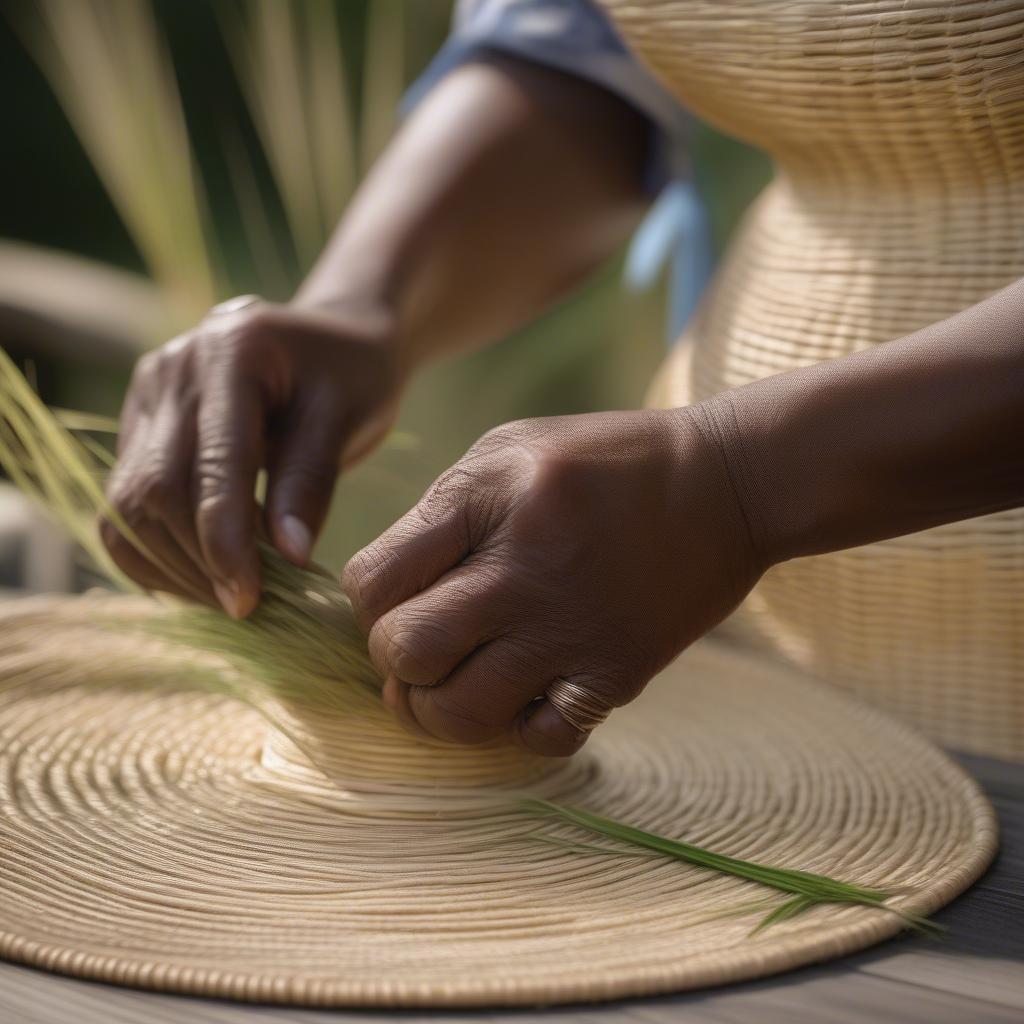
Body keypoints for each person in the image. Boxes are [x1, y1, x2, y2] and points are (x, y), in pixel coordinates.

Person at [101, 0, 1024, 760]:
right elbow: (582, 50)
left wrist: (740, 482)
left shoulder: (733, 493)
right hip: (758, 665)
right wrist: (359, 308)